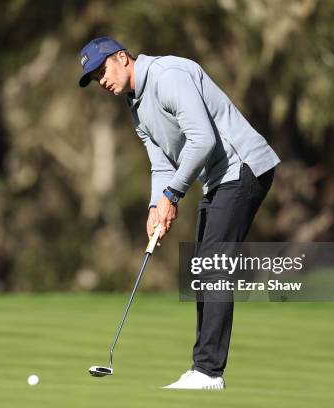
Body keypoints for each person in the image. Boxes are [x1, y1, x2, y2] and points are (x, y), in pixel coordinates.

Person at [78, 37, 280, 390]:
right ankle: (203, 368)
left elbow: (204, 140)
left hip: (244, 167)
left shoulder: (167, 75)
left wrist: (174, 194)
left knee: (214, 264)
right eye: (95, 78)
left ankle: (208, 372)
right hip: (217, 178)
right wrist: (157, 205)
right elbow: (161, 164)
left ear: (122, 58)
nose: (102, 81)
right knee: (202, 267)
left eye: (102, 70)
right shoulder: (135, 104)